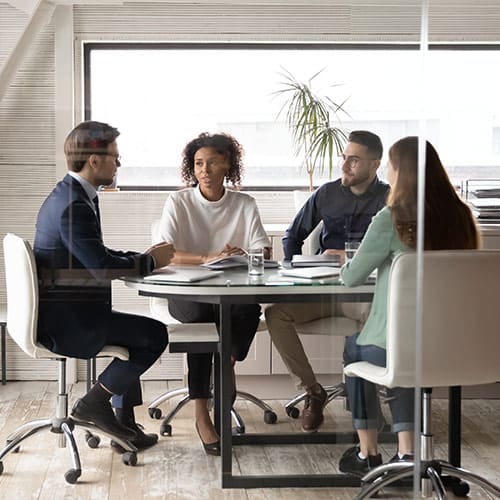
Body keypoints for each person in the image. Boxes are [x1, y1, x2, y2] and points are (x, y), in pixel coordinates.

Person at [338, 136, 480, 477]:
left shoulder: (392, 218)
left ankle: (367, 452)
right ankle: (406, 453)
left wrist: (347, 261)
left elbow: (351, 278)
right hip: (454, 346)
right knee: (406, 353)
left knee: (358, 348)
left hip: (401, 347)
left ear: (400, 171)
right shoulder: (462, 216)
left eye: (390, 164)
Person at [34, 120, 175, 453]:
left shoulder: (72, 196)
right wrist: (150, 263)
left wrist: (142, 258)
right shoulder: (73, 206)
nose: (119, 163)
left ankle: (122, 425)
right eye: (114, 156)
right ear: (94, 160)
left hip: (71, 312)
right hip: (69, 324)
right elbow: (100, 267)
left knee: (136, 331)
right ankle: (95, 404)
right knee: (154, 335)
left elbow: (96, 255)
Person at [265, 130, 389, 432]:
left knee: (373, 321)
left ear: (375, 165)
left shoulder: (390, 198)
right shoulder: (327, 193)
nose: (345, 166)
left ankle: (365, 407)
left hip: (363, 293)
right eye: (344, 158)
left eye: (354, 161)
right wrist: (291, 269)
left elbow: (400, 248)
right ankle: (312, 391)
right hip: (322, 289)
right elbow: (292, 235)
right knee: (275, 313)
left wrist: (353, 257)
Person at [159, 132, 271, 456]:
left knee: (248, 307)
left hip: (231, 291)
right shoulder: (178, 202)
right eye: (198, 163)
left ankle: (228, 364)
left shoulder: (244, 204)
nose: (204, 170)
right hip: (187, 293)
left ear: (228, 165)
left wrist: (244, 254)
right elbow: (165, 253)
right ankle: (200, 412)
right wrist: (206, 258)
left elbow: (263, 249)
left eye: (212, 162)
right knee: (202, 322)